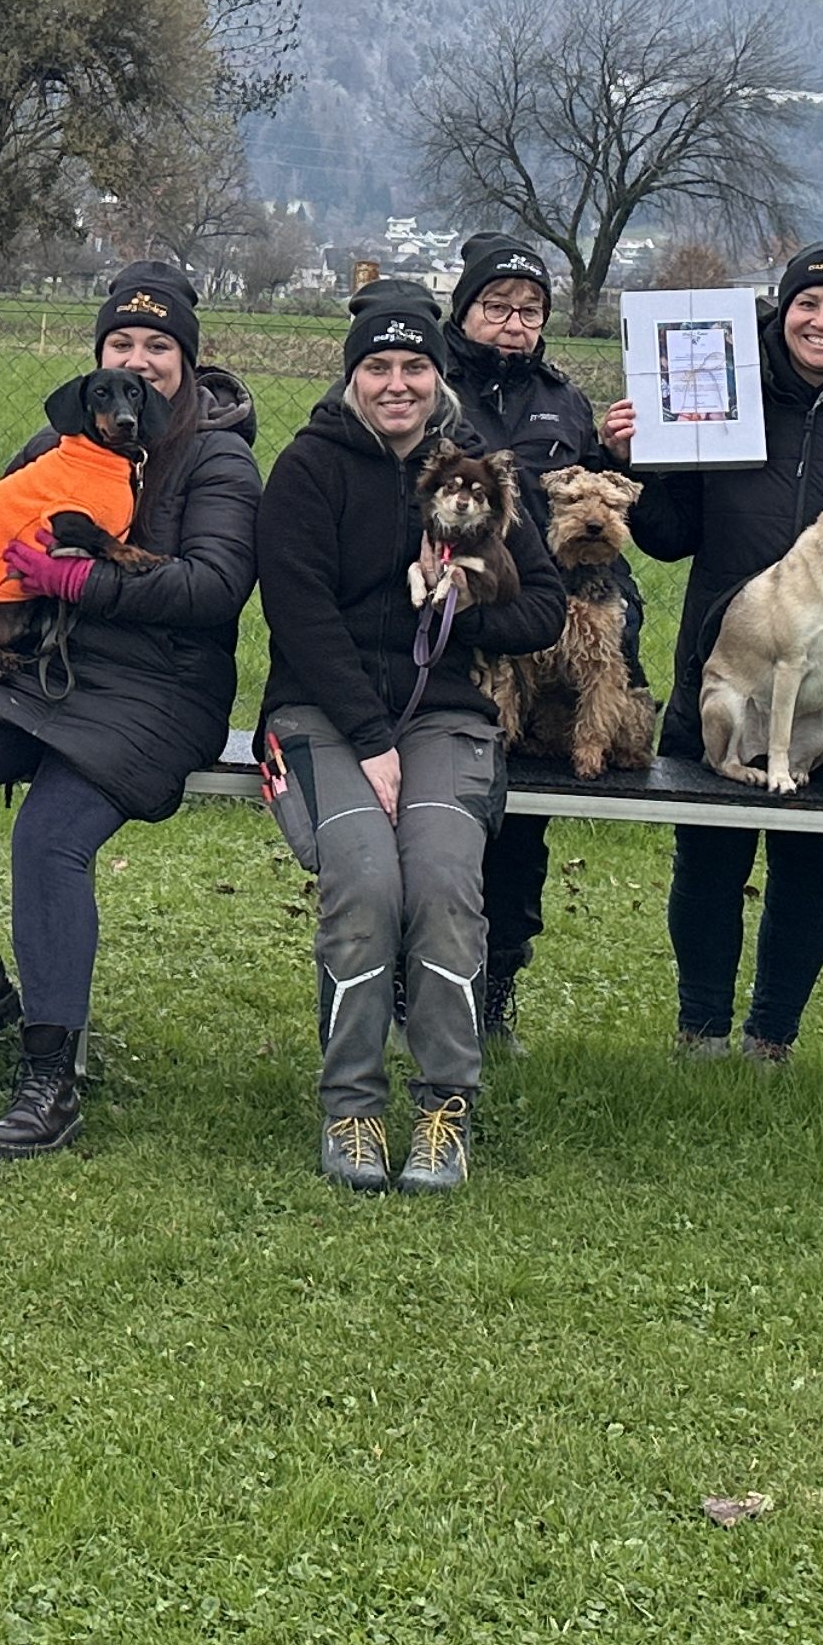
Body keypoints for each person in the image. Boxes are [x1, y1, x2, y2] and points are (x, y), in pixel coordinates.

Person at [0, 261, 262, 1156]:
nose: (140, 360)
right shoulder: (55, 446)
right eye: (122, 344)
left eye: (159, 346)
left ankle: (50, 1070)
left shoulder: (220, 454)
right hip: (40, 665)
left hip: (158, 687)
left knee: (49, 834)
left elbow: (215, 587)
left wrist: (86, 580)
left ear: (185, 361)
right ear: (99, 364)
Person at [258, 283, 566, 1193]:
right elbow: (299, 614)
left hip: (445, 716)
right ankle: (351, 1108)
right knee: (364, 877)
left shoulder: (477, 472)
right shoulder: (308, 468)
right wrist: (367, 736)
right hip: (320, 715)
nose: (398, 384)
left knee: (438, 880)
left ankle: (443, 1106)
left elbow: (544, 605)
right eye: (379, 367)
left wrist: (465, 604)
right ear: (352, 375)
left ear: (438, 376)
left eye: (416, 367)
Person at [625, 242, 823, 1065]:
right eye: (808, 303)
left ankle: (773, 1035)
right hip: (729, 661)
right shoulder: (721, 392)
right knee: (709, 858)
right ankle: (700, 1029)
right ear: (783, 311)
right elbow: (668, 539)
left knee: (809, 862)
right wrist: (638, 459)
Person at [438, 231, 644, 1053]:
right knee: (448, 829)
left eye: (530, 310)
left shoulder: (566, 398)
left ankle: (496, 995)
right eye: (498, 306)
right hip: (455, 633)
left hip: (553, 626)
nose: (515, 323)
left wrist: (623, 455)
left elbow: (602, 510)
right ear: (465, 311)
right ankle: (423, 989)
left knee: (521, 834)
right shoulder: (432, 386)